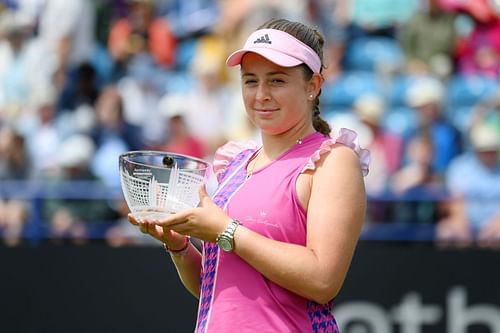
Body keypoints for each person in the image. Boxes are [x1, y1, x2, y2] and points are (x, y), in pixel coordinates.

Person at [128, 18, 370, 332]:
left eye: (277, 80)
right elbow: (217, 288)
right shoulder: (235, 162)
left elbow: (322, 279)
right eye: (251, 80)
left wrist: (227, 231)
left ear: (313, 86)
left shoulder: (333, 160)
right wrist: (179, 246)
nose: (261, 95)